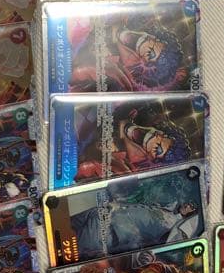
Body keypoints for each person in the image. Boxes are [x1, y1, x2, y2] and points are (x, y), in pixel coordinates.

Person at [70, 19, 188, 93]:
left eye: (150, 53)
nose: (148, 42)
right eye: (155, 40)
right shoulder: (120, 17)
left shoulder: (113, 75)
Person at [74, 107, 191, 180]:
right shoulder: (128, 109)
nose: (157, 137)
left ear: (152, 159)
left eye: (159, 148)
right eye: (163, 135)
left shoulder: (118, 168)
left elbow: (80, 171)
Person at [71, 195, 200, 259]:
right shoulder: (168, 208)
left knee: (68, 247)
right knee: (65, 226)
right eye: (189, 203)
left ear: (191, 214)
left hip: (107, 233)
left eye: (192, 207)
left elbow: (170, 243)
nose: (188, 205)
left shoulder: (174, 229)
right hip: (102, 213)